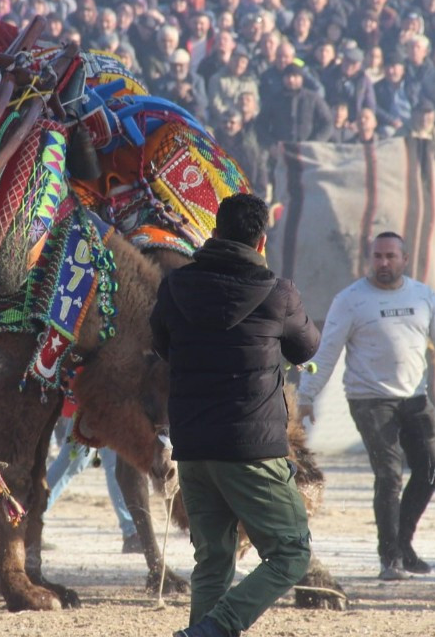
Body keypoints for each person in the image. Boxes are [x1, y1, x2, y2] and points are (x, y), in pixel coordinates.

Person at [150, 193, 319, 637]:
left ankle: (203, 632)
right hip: (252, 449)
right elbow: (306, 347)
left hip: (193, 447)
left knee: (213, 560)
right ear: (261, 241)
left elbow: (162, 346)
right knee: (290, 553)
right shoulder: (278, 293)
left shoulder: (175, 287)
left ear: (214, 232)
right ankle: (219, 626)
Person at [299, 232, 435, 580]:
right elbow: (325, 352)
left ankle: (403, 543)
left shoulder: (423, 296)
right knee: (389, 474)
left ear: (405, 259)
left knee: (432, 468)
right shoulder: (350, 300)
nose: (383, 263)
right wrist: (306, 395)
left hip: (415, 397)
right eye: (377, 256)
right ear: (369, 260)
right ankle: (390, 558)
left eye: (390, 256)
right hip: (369, 399)